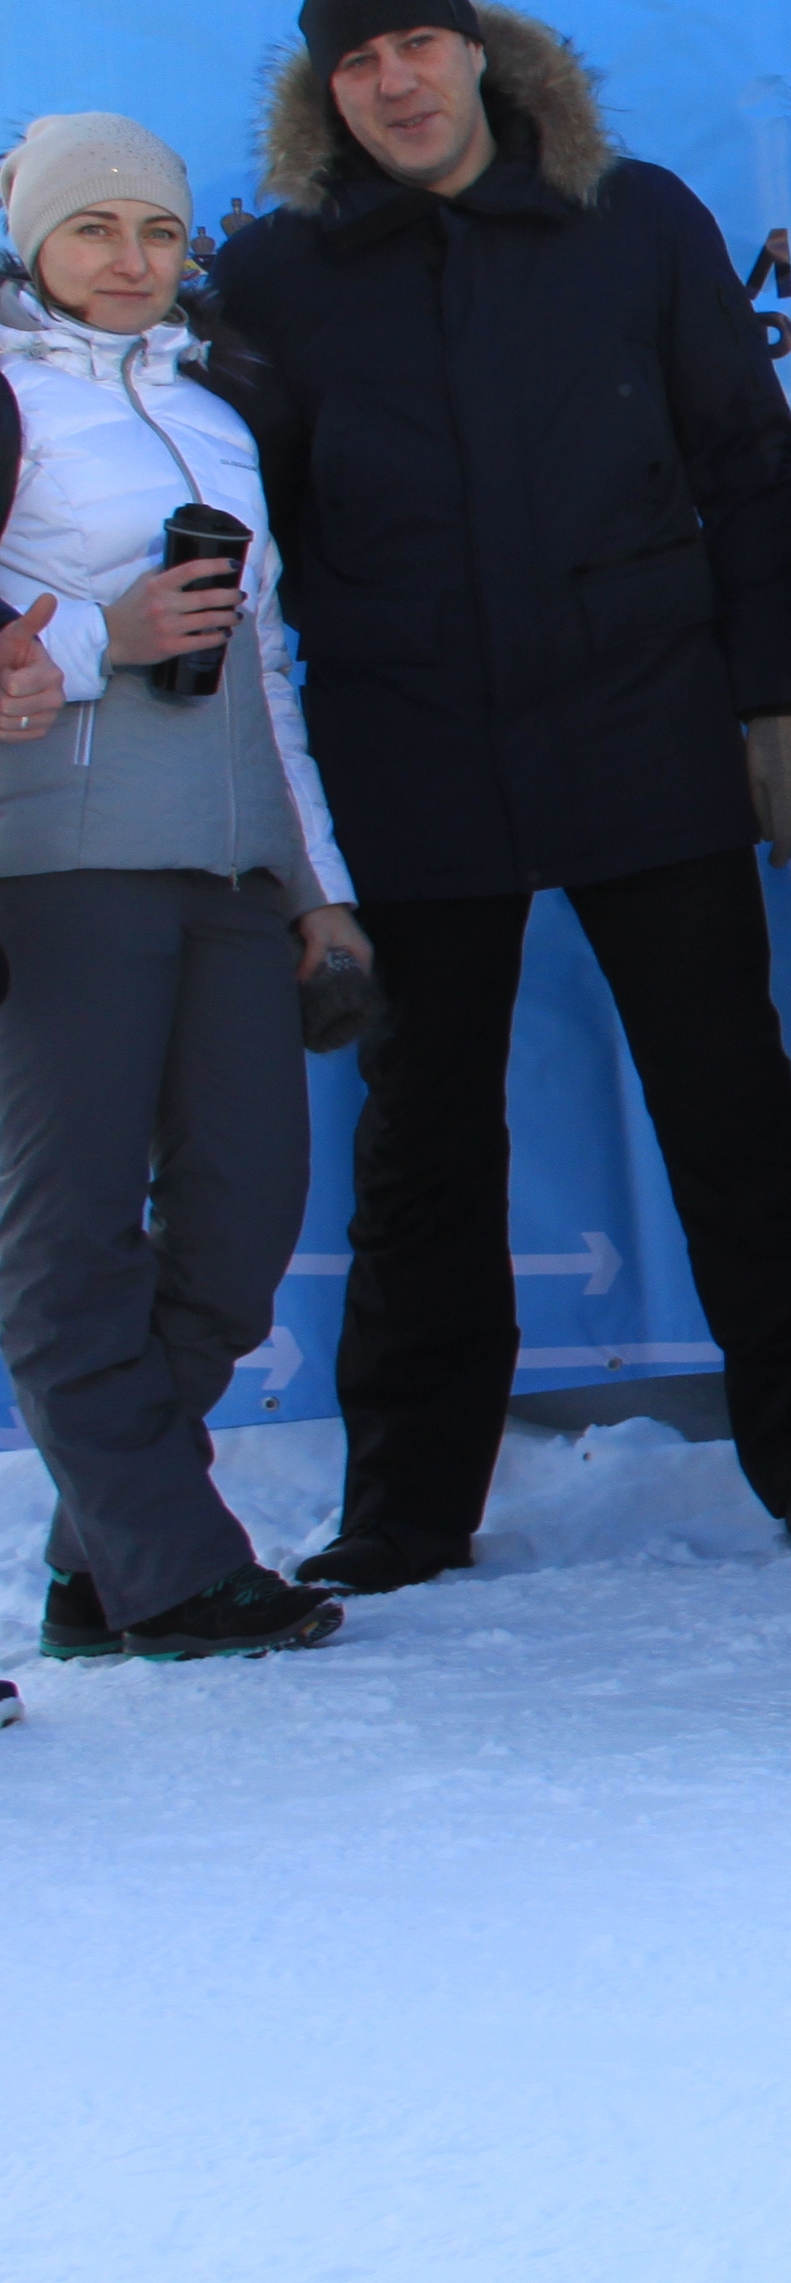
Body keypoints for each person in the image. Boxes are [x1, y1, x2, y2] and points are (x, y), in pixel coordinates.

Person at [212, 0, 791, 1589]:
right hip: (409, 756)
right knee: (422, 1131)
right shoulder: (275, 274)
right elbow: (243, 536)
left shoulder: (634, 218)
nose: (396, 81)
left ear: (477, 54)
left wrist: (777, 705)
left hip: (642, 734)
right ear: (327, 90)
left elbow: (745, 471)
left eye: (420, 45)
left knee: (728, 1097)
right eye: (360, 61)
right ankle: (407, 1506)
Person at [0, 116, 362, 1660]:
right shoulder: (10, 404)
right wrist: (106, 638)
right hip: (58, 865)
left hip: (230, 861)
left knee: (242, 1215)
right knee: (74, 1230)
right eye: (94, 230)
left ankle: (104, 1554)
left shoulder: (217, 415)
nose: (131, 259)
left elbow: (266, 669)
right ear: (33, 244)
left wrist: (318, 886)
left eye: (158, 230)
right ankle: (176, 1566)